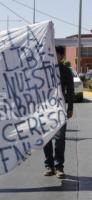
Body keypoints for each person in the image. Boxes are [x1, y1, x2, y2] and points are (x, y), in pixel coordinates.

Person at [43, 46, 74, 179]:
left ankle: (59, 166)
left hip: (60, 109)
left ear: (61, 56)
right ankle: (49, 166)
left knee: (60, 138)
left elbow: (71, 91)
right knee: (46, 138)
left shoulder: (66, 71)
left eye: (56, 54)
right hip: (44, 110)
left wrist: (70, 108)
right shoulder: (44, 70)